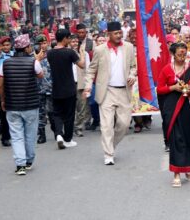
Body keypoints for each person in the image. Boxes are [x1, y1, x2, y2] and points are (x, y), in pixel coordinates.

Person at [84, 21, 137, 165]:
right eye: (116, 33)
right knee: (106, 125)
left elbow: (133, 66)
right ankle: (108, 154)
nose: (119, 35)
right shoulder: (100, 50)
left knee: (124, 124)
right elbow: (91, 70)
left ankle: (111, 145)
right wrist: (88, 86)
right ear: (109, 34)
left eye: (120, 32)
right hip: (106, 91)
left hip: (123, 91)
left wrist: (132, 75)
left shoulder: (128, 47)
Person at [157, 42, 190, 187]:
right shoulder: (166, 70)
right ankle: (176, 173)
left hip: (186, 108)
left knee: (187, 137)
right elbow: (159, 89)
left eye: (184, 54)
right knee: (176, 139)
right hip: (171, 108)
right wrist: (173, 87)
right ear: (172, 54)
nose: (182, 57)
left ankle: (187, 168)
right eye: (179, 54)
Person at [0, 34, 43, 175]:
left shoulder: (5, 63)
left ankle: (20, 165)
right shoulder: (33, 62)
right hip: (31, 105)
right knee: (30, 134)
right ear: (27, 47)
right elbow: (41, 76)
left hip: (12, 106)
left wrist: (3, 100)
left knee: (16, 136)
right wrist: (37, 60)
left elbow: (0, 85)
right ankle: (29, 161)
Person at [47, 29, 85, 150]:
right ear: (64, 39)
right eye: (69, 38)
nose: (70, 40)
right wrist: (82, 54)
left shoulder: (50, 53)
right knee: (69, 115)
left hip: (56, 88)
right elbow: (82, 65)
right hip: (69, 88)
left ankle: (58, 134)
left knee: (57, 113)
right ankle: (67, 139)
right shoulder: (70, 52)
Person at [74, 24, 92, 136]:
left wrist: (88, 83)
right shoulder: (67, 53)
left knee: (82, 105)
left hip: (81, 81)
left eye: (82, 32)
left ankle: (79, 126)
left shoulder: (86, 51)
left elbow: (89, 67)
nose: (75, 43)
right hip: (69, 82)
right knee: (72, 106)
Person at [35, 35, 54, 144]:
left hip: (51, 87)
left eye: (44, 43)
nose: (42, 45)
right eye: (40, 44)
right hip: (39, 88)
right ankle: (42, 134)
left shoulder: (52, 54)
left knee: (52, 111)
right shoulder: (33, 56)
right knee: (40, 113)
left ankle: (56, 129)